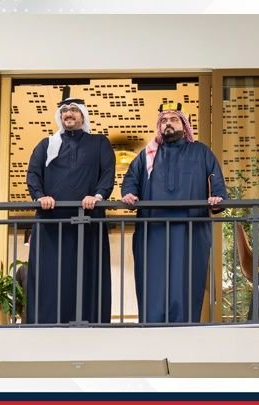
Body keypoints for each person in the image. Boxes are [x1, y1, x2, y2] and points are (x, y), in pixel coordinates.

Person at [121, 103, 227, 323]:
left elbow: (216, 179)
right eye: (164, 120)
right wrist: (129, 194)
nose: (168, 123)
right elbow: (131, 179)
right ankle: (152, 327)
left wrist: (217, 198)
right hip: (153, 231)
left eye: (173, 119)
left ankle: (184, 327)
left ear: (185, 124)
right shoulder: (147, 154)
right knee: (152, 280)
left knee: (186, 279)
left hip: (190, 231)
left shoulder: (200, 151)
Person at [26, 96, 115, 324]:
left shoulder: (99, 143)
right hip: (51, 225)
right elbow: (33, 174)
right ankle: (47, 325)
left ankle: (89, 323)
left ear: (83, 115)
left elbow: (107, 174)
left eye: (74, 110)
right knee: (50, 276)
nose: (68, 114)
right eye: (64, 111)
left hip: (89, 223)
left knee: (87, 273)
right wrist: (40, 196)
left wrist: (97, 196)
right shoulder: (46, 145)